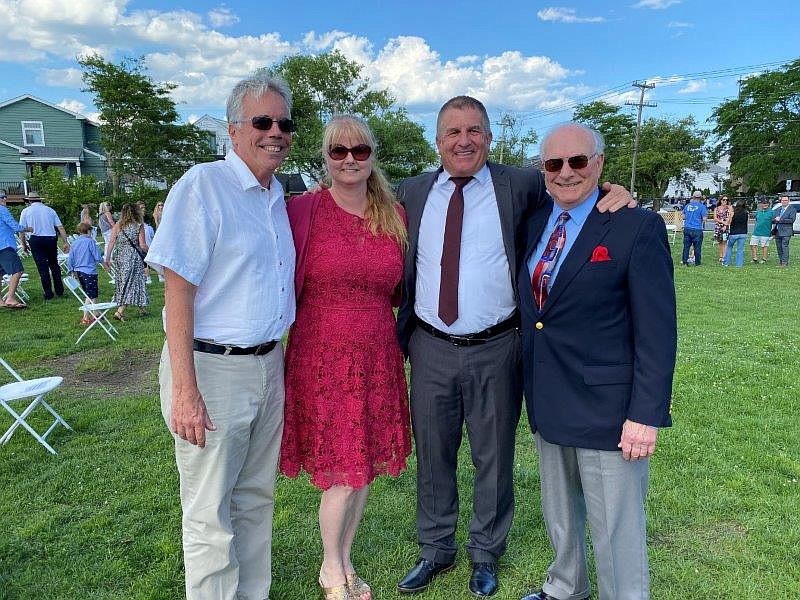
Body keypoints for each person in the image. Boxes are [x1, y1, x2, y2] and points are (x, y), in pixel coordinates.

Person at [395, 96, 635, 598]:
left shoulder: (522, 185)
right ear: (437, 140)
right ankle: (436, 548)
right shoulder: (413, 192)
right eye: (453, 132)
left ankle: (485, 552)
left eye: (475, 130)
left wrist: (616, 191)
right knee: (433, 454)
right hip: (431, 344)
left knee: (493, 455)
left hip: (497, 345)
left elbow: (575, 190)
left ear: (489, 137)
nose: (465, 140)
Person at [145, 69, 295, 600]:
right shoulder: (203, 185)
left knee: (255, 500)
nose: (274, 131)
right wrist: (185, 389)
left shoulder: (277, 196)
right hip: (211, 369)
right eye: (262, 121)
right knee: (210, 514)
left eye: (284, 122)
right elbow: (177, 290)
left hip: (266, 365)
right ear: (233, 130)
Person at [517, 122, 676, 600]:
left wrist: (645, 415)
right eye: (554, 163)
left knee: (616, 531)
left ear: (600, 164)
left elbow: (657, 330)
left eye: (578, 161)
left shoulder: (635, 225)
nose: (566, 173)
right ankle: (566, 586)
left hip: (608, 409)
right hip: (549, 400)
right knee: (560, 514)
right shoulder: (534, 221)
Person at [280, 115, 411, 600]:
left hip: (378, 351)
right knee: (343, 467)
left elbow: (399, 288)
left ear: (373, 154)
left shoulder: (393, 213)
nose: (350, 160)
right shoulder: (302, 210)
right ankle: (332, 571)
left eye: (359, 151)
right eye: (339, 152)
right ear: (325, 158)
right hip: (322, 355)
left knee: (363, 468)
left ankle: (345, 560)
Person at [18, 192, 70, 299]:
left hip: (36, 239)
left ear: (29, 201)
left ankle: (48, 293)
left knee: (42, 267)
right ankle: (59, 290)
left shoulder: (26, 211)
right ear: (40, 200)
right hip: (50, 238)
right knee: (54, 264)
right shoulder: (50, 210)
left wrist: (23, 244)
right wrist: (65, 241)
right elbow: (60, 227)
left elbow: (21, 230)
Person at [103, 202, 148, 320]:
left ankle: (142, 309)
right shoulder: (139, 225)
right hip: (133, 257)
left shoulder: (118, 225)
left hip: (120, 256)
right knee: (134, 282)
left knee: (124, 282)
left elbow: (111, 242)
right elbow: (142, 245)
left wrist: (107, 258)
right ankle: (120, 311)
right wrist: (151, 252)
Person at [0, 189, 32, 308]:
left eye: (5, 197)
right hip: (4, 245)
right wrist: (27, 229)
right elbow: (13, 225)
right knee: (17, 270)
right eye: (2, 197)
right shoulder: (2, 209)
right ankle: (10, 298)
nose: (5, 199)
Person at [67, 222, 103, 324]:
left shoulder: (74, 243)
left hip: (79, 271)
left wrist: (71, 270)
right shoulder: (90, 241)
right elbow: (97, 256)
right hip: (89, 271)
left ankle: (96, 313)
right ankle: (85, 317)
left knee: (91, 292)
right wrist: (104, 263)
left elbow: (70, 258)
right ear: (89, 231)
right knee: (90, 294)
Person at [681, 190, 707, 266]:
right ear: (700, 197)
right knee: (697, 247)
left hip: (687, 228)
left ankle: (685, 262)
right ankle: (697, 263)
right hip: (697, 229)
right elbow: (704, 219)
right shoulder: (702, 207)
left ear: (693, 197)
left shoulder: (687, 206)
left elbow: (683, 216)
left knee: (686, 247)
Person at [723, 200, 748, 267]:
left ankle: (726, 263)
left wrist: (731, 213)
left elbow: (729, 222)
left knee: (729, 247)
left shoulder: (733, 213)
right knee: (740, 249)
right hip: (743, 233)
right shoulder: (746, 213)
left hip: (734, 233)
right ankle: (739, 265)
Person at [772, 195, 796, 267]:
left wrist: (780, 219)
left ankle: (785, 263)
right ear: (781, 201)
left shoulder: (792, 209)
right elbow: (773, 219)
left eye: (786, 200)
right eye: (783, 200)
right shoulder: (777, 209)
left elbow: (792, 220)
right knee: (779, 247)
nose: (784, 202)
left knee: (784, 246)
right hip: (777, 231)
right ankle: (781, 261)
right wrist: (775, 220)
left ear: (788, 201)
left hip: (786, 231)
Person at [749, 198, 773, 263]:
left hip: (766, 233)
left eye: (766, 203)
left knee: (764, 246)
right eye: (763, 203)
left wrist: (773, 234)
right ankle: (754, 258)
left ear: (769, 204)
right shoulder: (758, 212)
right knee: (752, 245)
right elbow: (757, 221)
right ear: (761, 204)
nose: (765, 204)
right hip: (756, 232)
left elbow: (775, 223)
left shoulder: (772, 212)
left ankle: (764, 259)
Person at [712, 195, 732, 262]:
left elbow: (729, 218)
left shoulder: (729, 208)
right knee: (720, 242)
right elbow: (715, 218)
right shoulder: (716, 208)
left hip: (726, 227)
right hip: (718, 227)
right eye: (723, 200)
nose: (725, 201)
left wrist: (725, 225)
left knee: (725, 241)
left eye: (726, 200)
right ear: (720, 200)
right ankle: (721, 256)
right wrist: (722, 222)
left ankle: (724, 256)